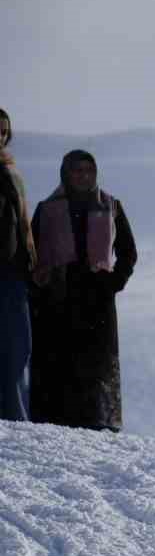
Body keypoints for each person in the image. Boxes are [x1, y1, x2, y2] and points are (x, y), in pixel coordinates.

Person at [28, 151, 137, 431]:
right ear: (66, 173)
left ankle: (96, 424)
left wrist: (115, 281)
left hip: (96, 298)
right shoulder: (48, 208)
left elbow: (128, 252)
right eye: (77, 170)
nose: (83, 176)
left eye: (89, 170)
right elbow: (31, 254)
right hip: (57, 297)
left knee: (95, 363)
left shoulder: (111, 206)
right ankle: (55, 425)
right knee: (58, 363)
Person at [0, 108, 34, 422]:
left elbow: (21, 226)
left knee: (17, 351)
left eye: (2, 131)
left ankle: (16, 420)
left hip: (12, 275)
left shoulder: (11, 174)